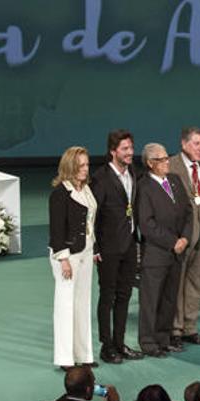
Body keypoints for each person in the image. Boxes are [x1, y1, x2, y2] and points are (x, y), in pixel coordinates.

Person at [90, 130, 143, 365]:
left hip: (130, 244)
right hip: (108, 248)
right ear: (113, 152)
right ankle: (106, 346)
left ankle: (120, 343)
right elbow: (92, 215)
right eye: (125, 149)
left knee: (124, 296)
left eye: (131, 147)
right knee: (107, 297)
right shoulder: (100, 178)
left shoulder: (133, 172)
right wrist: (94, 248)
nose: (130, 152)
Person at [136, 142, 192, 358]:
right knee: (152, 300)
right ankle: (149, 342)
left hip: (177, 252)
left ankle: (163, 338)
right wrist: (173, 242)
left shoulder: (176, 181)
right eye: (162, 159)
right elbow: (147, 224)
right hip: (157, 253)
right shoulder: (144, 187)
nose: (167, 161)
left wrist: (185, 238)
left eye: (167, 157)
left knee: (169, 299)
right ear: (150, 163)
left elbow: (188, 212)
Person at [48, 146, 97, 368]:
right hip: (67, 255)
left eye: (87, 165)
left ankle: (84, 355)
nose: (85, 169)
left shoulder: (86, 189)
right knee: (65, 305)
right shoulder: (60, 193)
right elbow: (56, 230)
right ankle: (65, 358)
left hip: (86, 253)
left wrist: (94, 249)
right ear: (70, 167)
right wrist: (63, 259)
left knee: (83, 304)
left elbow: (89, 223)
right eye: (81, 166)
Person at [167, 126, 200, 348]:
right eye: (196, 144)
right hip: (181, 237)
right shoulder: (171, 166)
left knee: (195, 283)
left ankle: (190, 328)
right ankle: (174, 330)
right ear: (184, 144)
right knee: (177, 284)